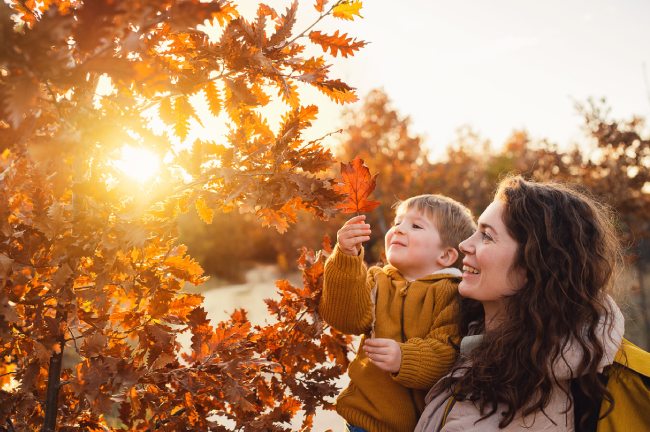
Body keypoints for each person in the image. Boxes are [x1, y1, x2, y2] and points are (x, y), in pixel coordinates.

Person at [415, 176, 625, 431]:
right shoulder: (475, 341)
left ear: (534, 264)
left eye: (487, 236)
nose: (464, 245)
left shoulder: (530, 406)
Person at [319, 194, 476, 432]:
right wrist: (346, 257)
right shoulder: (377, 279)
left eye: (415, 226)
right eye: (397, 223)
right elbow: (345, 318)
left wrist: (404, 359)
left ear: (445, 255)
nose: (399, 230)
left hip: (420, 424)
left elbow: (447, 352)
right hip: (363, 418)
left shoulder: (452, 293)